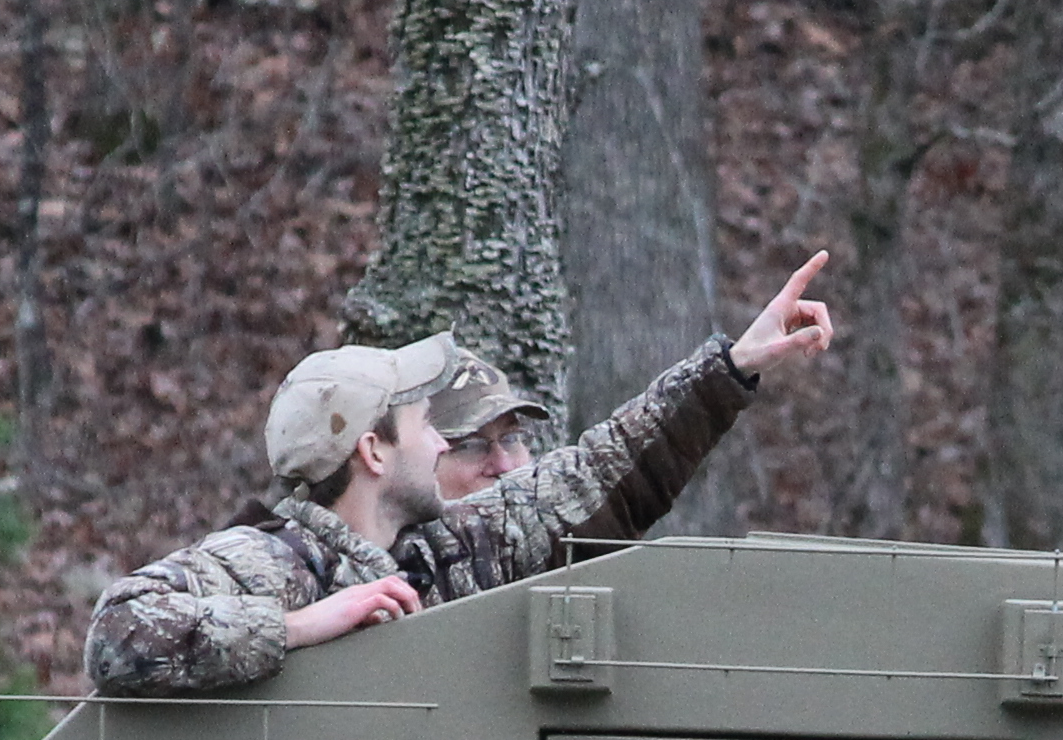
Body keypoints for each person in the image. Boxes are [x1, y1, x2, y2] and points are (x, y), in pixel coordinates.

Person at [83, 256, 837, 696]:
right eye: (422, 424)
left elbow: (599, 472)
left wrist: (734, 364)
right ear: (372, 453)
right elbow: (118, 633)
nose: (442, 441)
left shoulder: (443, 549)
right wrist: (302, 626)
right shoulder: (268, 560)